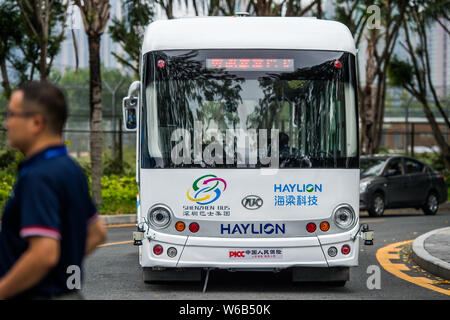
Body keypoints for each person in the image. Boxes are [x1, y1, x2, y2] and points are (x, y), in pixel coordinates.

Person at [0, 81, 107, 299]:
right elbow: (97, 232)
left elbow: (44, 253)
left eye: (12, 114)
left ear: (36, 122)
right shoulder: (70, 168)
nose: (6, 123)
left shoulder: (39, 176)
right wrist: (59, 273)